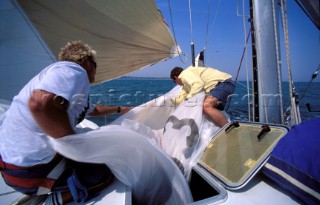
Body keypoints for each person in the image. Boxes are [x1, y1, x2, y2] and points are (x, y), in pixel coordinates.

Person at [0, 40, 132, 204]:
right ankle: (52, 200)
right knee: (107, 171)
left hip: (11, 171)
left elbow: (94, 110)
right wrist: (73, 144)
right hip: (31, 173)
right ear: (87, 62)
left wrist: (119, 109)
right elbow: (40, 104)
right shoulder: (74, 70)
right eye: (95, 65)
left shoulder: (62, 85)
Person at [170, 66, 235, 128]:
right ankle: (218, 105)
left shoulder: (185, 74)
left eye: (174, 81)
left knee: (206, 105)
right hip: (217, 87)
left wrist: (188, 98)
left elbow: (198, 84)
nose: (176, 84)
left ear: (176, 77)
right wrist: (169, 101)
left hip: (223, 83)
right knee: (205, 105)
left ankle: (229, 129)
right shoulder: (186, 85)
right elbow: (182, 98)